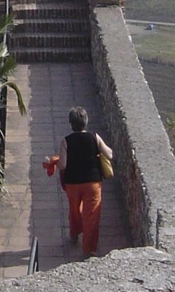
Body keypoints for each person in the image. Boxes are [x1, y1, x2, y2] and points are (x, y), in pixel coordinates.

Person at [58, 106, 113, 258]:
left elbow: (62, 165)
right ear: (86, 122)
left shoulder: (66, 141)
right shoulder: (94, 137)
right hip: (92, 183)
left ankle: (75, 233)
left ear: (71, 123)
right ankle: (89, 249)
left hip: (73, 184)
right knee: (92, 215)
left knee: (74, 211)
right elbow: (109, 154)